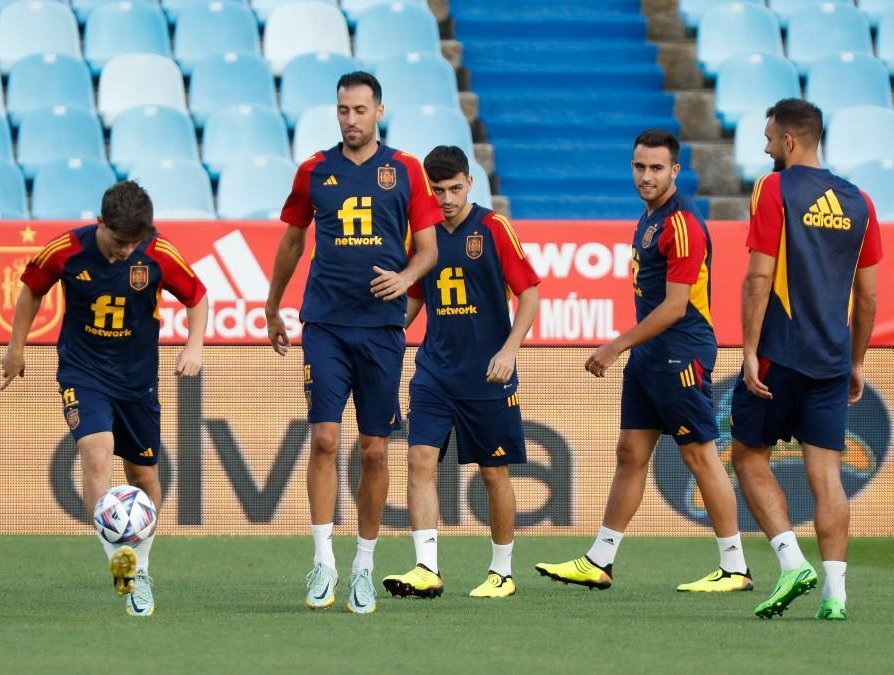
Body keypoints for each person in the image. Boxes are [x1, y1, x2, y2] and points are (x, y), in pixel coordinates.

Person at [536, 129, 752, 593]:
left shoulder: (682, 223)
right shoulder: (649, 218)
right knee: (630, 454)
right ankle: (600, 559)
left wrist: (616, 345)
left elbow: (676, 306)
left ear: (675, 170)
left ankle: (735, 566)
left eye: (656, 168)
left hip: (681, 352)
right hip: (651, 355)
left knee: (700, 456)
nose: (646, 176)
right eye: (639, 167)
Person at [266, 71, 441, 613]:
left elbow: (430, 250)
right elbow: (293, 241)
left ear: (379, 111)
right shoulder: (314, 170)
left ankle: (365, 563)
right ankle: (323, 560)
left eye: (360, 110)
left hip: (383, 330)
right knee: (322, 439)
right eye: (343, 110)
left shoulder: (408, 171)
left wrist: (407, 278)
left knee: (373, 449)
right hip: (325, 324)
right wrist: (272, 306)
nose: (351, 119)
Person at [0, 181, 208, 618]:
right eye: (117, 242)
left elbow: (197, 297)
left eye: (134, 243)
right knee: (96, 455)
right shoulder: (66, 249)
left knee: (144, 476)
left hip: (137, 380)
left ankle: (142, 567)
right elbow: (32, 290)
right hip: (83, 371)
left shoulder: (157, 253)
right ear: (100, 224)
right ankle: (120, 562)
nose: (125, 253)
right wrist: (16, 347)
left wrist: (194, 345)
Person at [731, 99, 882, 621]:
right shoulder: (861, 201)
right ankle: (835, 596)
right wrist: (857, 362)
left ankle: (792, 562)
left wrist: (749, 351)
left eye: (769, 137)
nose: (765, 146)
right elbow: (868, 299)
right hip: (832, 359)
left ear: (790, 141)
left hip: (778, 353)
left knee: (748, 457)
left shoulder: (774, 188)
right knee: (828, 477)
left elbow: (757, 277)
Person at [381, 146, 539, 600]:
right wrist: (388, 338)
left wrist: (510, 351)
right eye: (437, 191)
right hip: (434, 372)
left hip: (487, 375)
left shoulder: (493, 228)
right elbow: (416, 298)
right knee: (418, 461)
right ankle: (426, 567)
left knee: (493, 475)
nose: (447, 198)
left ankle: (502, 572)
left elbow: (529, 295)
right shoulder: (422, 237)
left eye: (454, 188)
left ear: (470, 183)